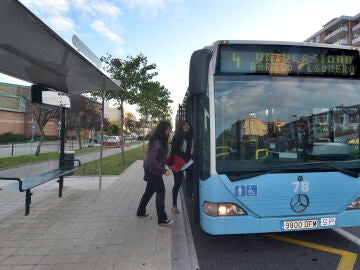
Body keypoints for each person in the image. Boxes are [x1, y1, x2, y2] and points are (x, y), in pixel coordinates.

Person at [137, 120, 173, 226]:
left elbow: (159, 157)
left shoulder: (159, 140)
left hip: (151, 169)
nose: (169, 131)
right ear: (163, 130)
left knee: (149, 192)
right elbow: (153, 160)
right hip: (153, 171)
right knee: (161, 192)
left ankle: (140, 212)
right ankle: (162, 219)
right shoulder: (158, 142)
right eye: (168, 129)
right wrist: (163, 170)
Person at [168, 120, 193, 214]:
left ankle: (192, 195)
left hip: (188, 162)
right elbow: (173, 151)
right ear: (181, 126)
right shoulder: (177, 136)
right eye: (184, 125)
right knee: (177, 184)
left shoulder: (191, 136)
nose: (186, 126)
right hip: (178, 163)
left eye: (188, 125)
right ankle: (174, 205)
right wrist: (171, 164)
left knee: (192, 179)